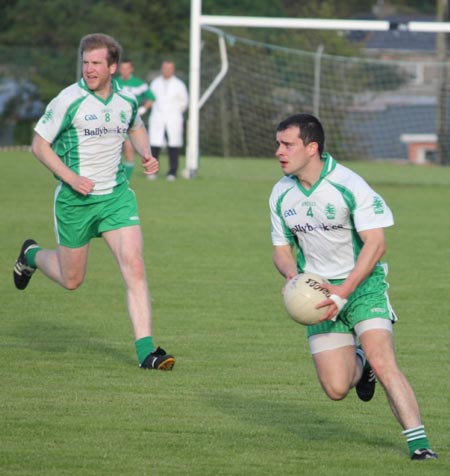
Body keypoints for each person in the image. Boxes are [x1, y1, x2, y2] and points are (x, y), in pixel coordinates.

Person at [269, 113, 437, 460]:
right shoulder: (281, 193)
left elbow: (376, 245)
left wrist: (343, 292)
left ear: (311, 148)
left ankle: (419, 445)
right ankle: (363, 365)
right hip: (317, 294)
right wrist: (292, 277)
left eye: (287, 144)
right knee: (335, 388)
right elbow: (282, 249)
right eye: (278, 144)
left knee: (384, 358)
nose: (279, 151)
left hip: (361, 288)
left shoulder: (349, 184)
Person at [13, 33, 175, 371]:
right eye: (85, 62)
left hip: (116, 197)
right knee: (72, 280)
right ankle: (30, 254)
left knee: (135, 266)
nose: (89, 69)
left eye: (96, 63)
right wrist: (70, 178)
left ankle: (147, 352)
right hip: (75, 202)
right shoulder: (67, 100)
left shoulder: (126, 101)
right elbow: (39, 146)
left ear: (112, 67)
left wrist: (146, 153)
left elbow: (136, 127)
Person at [148, 60, 189, 181]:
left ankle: (172, 172)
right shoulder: (155, 83)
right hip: (158, 117)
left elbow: (184, 102)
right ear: (162, 69)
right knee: (155, 145)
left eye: (169, 68)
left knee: (173, 145)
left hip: (173, 118)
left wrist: (174, 112)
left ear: (173, 70)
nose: (167, 70)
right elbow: (151, 99)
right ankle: (152, 171)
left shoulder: (179, 84)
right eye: (165, 68)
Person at [116, 58, 155, 180]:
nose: (124, 71)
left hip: (130, 121)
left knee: (128, 148)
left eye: (127, 68)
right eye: (122, 68)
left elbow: (151, 98)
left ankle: (126, 179)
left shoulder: (139, 84)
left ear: (131, 69)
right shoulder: (114, 83)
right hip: (114, 120)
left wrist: (143, 109)